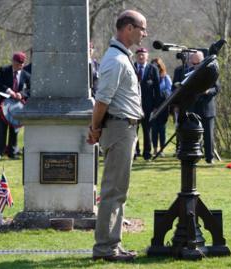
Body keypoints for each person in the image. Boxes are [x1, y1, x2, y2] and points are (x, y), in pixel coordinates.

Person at [87, 9, 147, 262]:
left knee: (118, 191)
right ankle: (104, 248)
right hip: (120, 128)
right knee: (113, 190)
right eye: (142, 28)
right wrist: (94, 128)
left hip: (126, 128)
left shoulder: (122, 57)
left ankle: (113, 243)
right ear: (128, 28)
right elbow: (102, 100)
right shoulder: (115, 59)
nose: (145, 33)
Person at [0, 52, 30, 160]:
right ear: (13, 62)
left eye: (22, 63)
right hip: (2, 105)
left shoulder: (26, 75)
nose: (21, 66)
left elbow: (30, 90)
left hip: (16, 107)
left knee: (14, 129)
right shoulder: (4, 70)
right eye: (18, 63)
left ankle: (12, 152)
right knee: (1, 130)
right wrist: (9, 90)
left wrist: (21, 94)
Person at [189, 51, 220, 164]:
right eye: (194, 63)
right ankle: (193, 156)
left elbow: (216, 89)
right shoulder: (189, 72)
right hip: (193, 107)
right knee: (192, 133)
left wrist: (207, 91)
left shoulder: (211, 71)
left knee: (208, 135)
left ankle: (209, 157)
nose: (196, 65)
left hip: (207, 107)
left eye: (198, 63)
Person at [134, 47, 160, 161]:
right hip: (134, 105)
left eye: (143, 55)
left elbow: (157, 89)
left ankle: (147, 153)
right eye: (139, 54)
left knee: (147, 130)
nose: (141, 57)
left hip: (148, 106)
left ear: (147, 56)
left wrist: (156, 106)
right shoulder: (132, 67)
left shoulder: (153, 69)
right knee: (133, 129)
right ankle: (134, 152)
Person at [150, 57, 171, 157]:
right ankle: (154, 149)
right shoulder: (149, 77)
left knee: (162, 129)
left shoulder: (165, 77)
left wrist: (161, 94)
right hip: (153, 107)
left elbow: (169, 91)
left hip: (163, 107)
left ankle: (161, 150)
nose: (156, 67)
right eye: (153, 65)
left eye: (157, 66)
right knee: (154, 129)